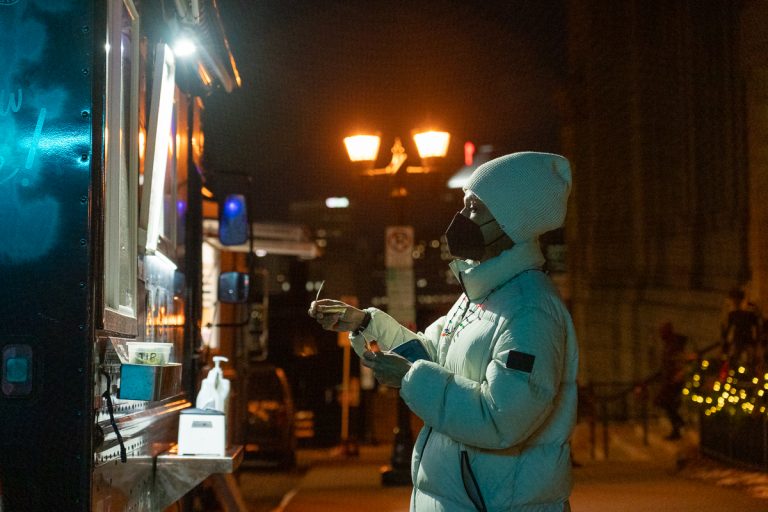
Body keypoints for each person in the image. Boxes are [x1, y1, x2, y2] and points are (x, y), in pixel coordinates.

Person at [310, 151, 578, 512]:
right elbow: (429, 355)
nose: (462, 218)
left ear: (511, 220)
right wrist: (363, 324)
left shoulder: (530, 311)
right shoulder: (484, 295)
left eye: (474, 208)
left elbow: (502, 418)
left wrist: (409, 378)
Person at [653, 322, 689, 440]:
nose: (660, 334)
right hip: (670, 379)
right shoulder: (670, 344)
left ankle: (678, 425)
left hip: (673, 380)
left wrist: (678, 375)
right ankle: (678, 426)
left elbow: (678, 361)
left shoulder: (674, 345)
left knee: (667, 403)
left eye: (662, 331)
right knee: (668, 404)